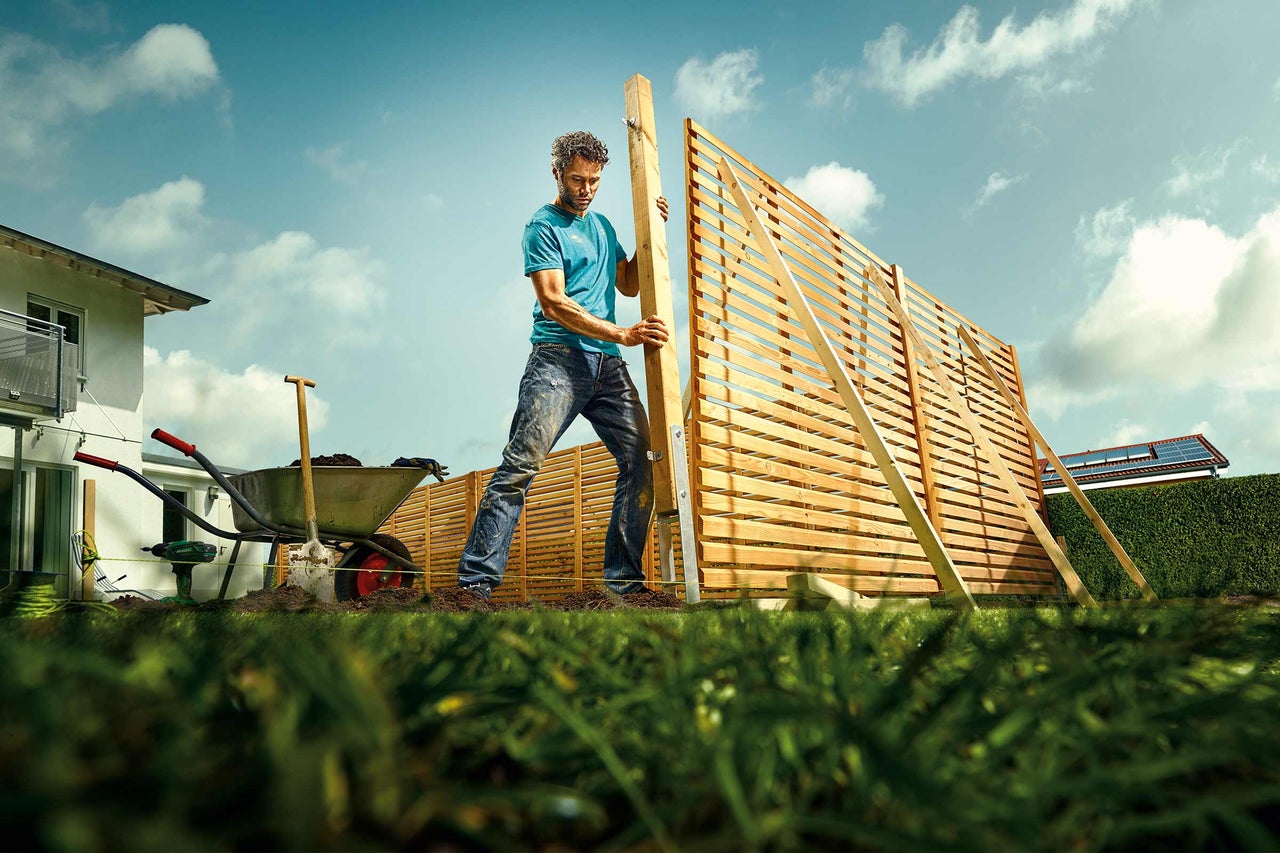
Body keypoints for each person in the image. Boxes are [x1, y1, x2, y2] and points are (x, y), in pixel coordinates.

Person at [457, 130, 669, 600]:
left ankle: (624, 586)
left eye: (594, 180)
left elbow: (629, 284)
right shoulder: (542, 226)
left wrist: (648, 231)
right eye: (577, 179)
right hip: (557, 363)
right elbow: (553, 302)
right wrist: (622, 334)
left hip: (608, 368)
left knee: (642, 463)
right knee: (520, 466)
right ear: (556, 173)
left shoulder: (604, 226)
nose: (586, 189)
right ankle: (474, 586)